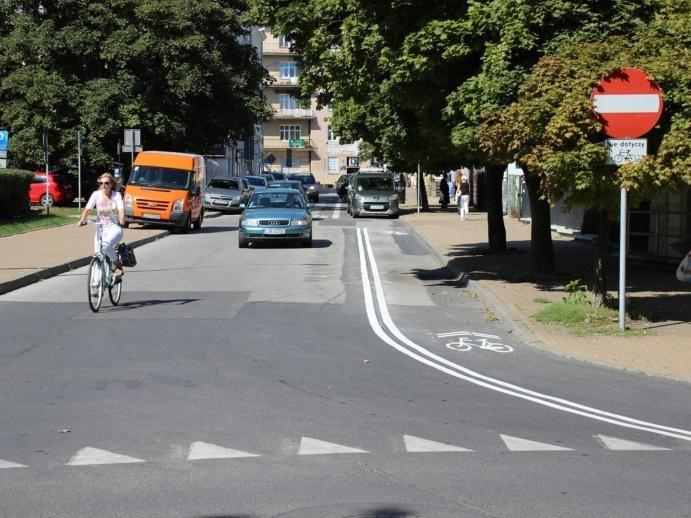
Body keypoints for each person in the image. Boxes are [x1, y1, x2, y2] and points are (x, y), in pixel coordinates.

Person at [77, 173, 125, 281]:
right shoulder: (96, 194)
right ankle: (95, 285)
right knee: (98, 255)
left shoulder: (116, 195)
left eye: (107, 183)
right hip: (100, 229)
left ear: (111, 184)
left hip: (114, 228)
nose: (104, 185)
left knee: (106, 246)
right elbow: (87, 208)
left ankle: (118, 265)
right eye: (101, 183)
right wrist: (82, 220)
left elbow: (121, 209)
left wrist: (122, 220)